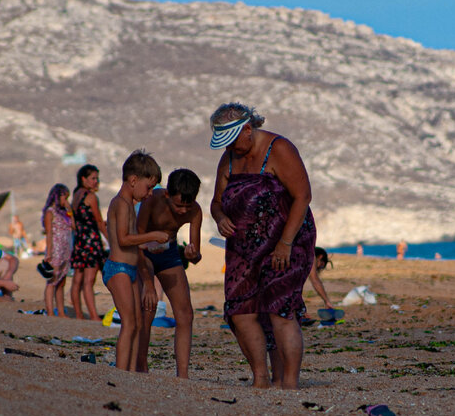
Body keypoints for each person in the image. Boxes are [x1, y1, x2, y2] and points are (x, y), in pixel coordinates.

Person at [209, 102, 316, 390]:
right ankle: (261, 377)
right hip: (243, 248)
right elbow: (216, 201)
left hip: (287, 241)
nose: (230, 147)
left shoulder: (278, 149)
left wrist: (284, 244)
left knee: (280, 309)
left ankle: (290, 383)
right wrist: (219, 217)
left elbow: (302, 196)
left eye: (233, 140)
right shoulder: (229, 158)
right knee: (239, 309)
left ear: (247, 130)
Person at [103, 150, 170, 372]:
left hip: (130, 269)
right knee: (129, 323)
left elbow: (131, 241)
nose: (150, 193)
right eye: (148, 187)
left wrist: (149, 245)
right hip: (118, 269)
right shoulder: (120, 203)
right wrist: (153, 235)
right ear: (133, 180)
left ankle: (131, 372)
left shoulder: (129, 204)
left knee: (138, 324)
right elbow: (122, 239)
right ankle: (122, 372)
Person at [135, 168, 203, 378]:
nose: (183, 211)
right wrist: (147, 283)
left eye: (187, 206)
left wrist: (192, 255)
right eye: (178, 205)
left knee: (185, 314)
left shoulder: (195, 211)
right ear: (166, 194)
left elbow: (196, 256)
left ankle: (182, 375)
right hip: (143, 252)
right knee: (148, 310)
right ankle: (141, 367)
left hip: (169, 253)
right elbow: (136, 241)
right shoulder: (152, 200)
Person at [69, 165, 107, 321]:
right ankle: (93, 315)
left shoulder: (76, 195)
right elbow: (99, 221)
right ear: (83, 179)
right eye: (93, 178)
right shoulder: (91, 197)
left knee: (77, 280)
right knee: (89, 281)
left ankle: (79, 315)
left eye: (97, 178)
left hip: (79, 242)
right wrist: (111, 239)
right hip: (91, 241)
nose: (96, 182)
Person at [41, 183, 73, 317]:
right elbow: (49, 233)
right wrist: (49, 253)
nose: (66, 200)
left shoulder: (65, 213)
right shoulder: (50, 212)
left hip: (66, 250)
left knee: (61, 281)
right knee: (52, 281)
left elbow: (74, 226)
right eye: (64, 197)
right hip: (56, 250)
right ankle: (50, 311)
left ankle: (61, 311)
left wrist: (69, 209)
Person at [308, 247, 336, 312]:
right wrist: (327, 301)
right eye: (321, 265)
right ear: (320, 256)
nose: (318, 268)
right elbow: (315, 280)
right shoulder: (311, 256)